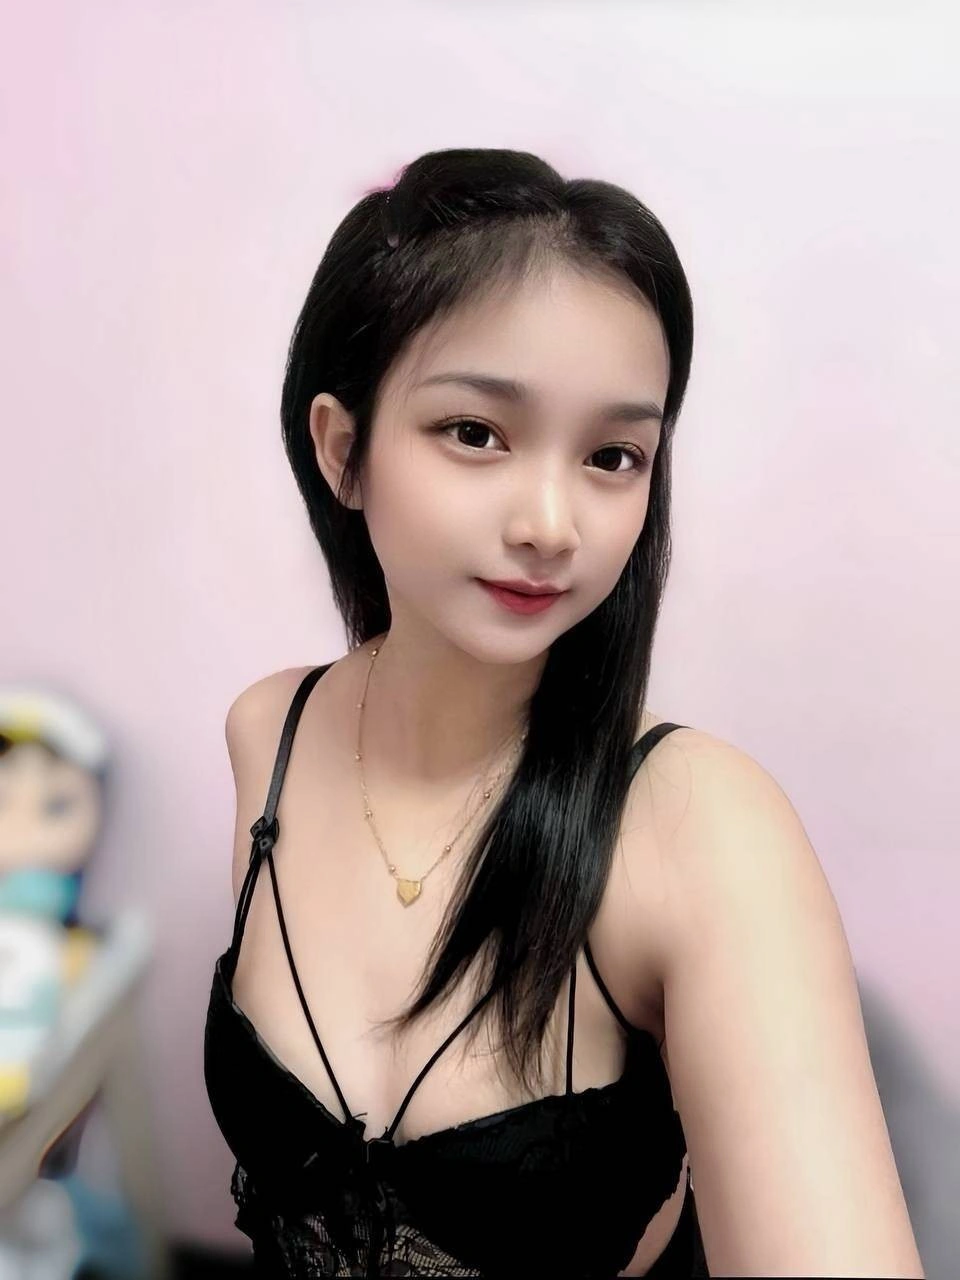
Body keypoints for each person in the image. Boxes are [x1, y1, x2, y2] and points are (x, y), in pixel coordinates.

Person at [203, 147, 923, 1278]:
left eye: (612, 456)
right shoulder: (268, 735)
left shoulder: (696, 827)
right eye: (476, 433)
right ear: (343, 450)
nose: (552, 523)